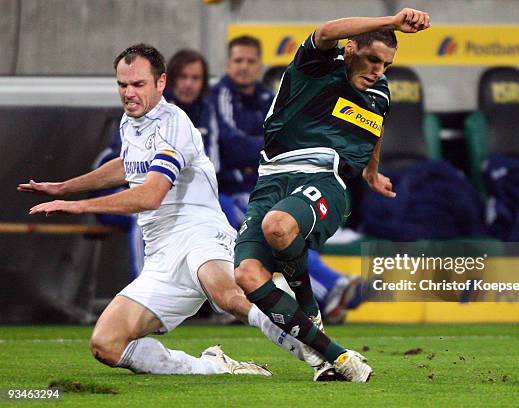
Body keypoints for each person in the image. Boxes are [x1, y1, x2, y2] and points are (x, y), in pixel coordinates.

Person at [17, 43, 322, 378]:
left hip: (200, 235)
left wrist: (77, 205)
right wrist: (63, 187)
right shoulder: (130, 122)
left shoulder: (174, 123)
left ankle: (321, 352)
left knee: (231, 296)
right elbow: (126, 165)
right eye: (122, 85)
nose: (128, 93)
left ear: (161, 83)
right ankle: (211, 367)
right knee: (106, 344)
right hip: (161, 257)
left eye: (137, 84)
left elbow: (150, 196)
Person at [232, 9, 431, 382]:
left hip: (327, 180)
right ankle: (334, 358)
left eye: (387, 64)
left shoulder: (379, 93)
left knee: (278, 226)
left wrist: (371, 173)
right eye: (373, 59)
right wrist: (389, 20)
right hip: (271, 178)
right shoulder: (318, 64)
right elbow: (325, 31)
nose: (378, 70)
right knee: (246, 274)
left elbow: (375, 128)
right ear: (351, 48)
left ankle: (308, 307)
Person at [209, 36, 364, 323]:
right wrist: (268, 147)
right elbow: (231, 145)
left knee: (284, 230)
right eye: (238, 61)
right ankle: (329, 288)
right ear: (228, 65)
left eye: (250, 61)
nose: (244, 67)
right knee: (273, 232)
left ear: (260, 65)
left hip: (272, 179)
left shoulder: (270, 96)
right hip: (233, 189)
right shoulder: (220, 96)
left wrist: (270, 148)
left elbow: (290, 136)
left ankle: (326, 291)